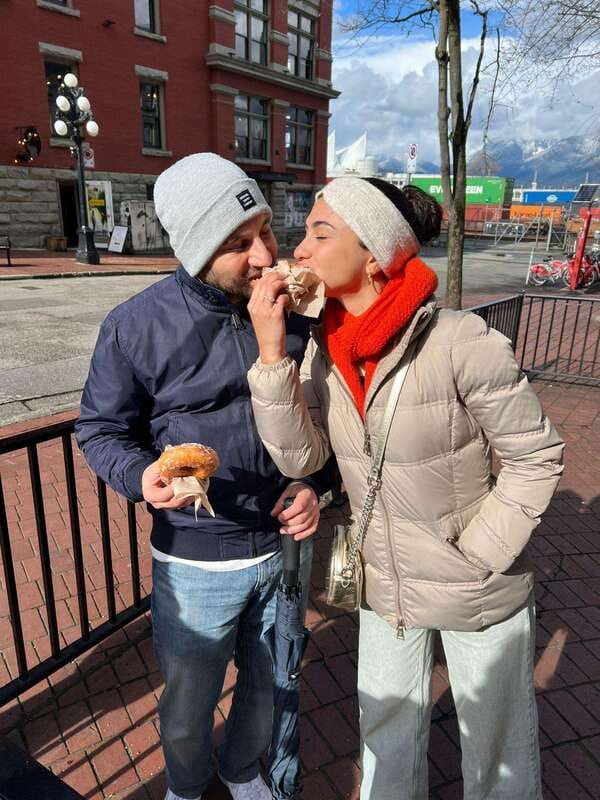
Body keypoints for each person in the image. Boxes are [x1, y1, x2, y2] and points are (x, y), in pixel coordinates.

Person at [246, 177, 565, 800]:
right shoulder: (325, 350)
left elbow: (536, 456)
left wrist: (476, 554)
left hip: (474, 581)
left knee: (496, 752)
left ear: (374, 254)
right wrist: (269, 355)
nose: (299, 250)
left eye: (320, 232)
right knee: (385, 735)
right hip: (382, 580)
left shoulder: (459, 343)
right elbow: (301, 455)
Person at [75, 153, 323, 800]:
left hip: (281, 547)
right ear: (194, 250)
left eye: (266, 231)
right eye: (240, 244)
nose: (266, 255)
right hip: (194, 561)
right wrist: (139, 474)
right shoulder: (135, 327)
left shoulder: (296, 312)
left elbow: (328, 420)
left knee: (268, 686)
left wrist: (316, 487)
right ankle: (185, 787)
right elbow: (100, 429)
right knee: (188, 703)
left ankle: (242, 770)